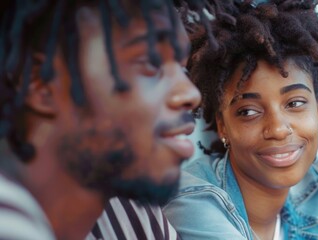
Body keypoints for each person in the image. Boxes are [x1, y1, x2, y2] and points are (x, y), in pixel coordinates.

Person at [0, 0, 217, 239]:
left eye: (182, 69)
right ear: (42, 83)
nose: (190, 94)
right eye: (150, 63)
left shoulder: (131, 215)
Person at [163, 0, 318, 239]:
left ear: (317, 111)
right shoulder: (193, 201)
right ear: (223, 126)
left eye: (295, 103)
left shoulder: (312, 190)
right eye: (248, 111)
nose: (278, 129)